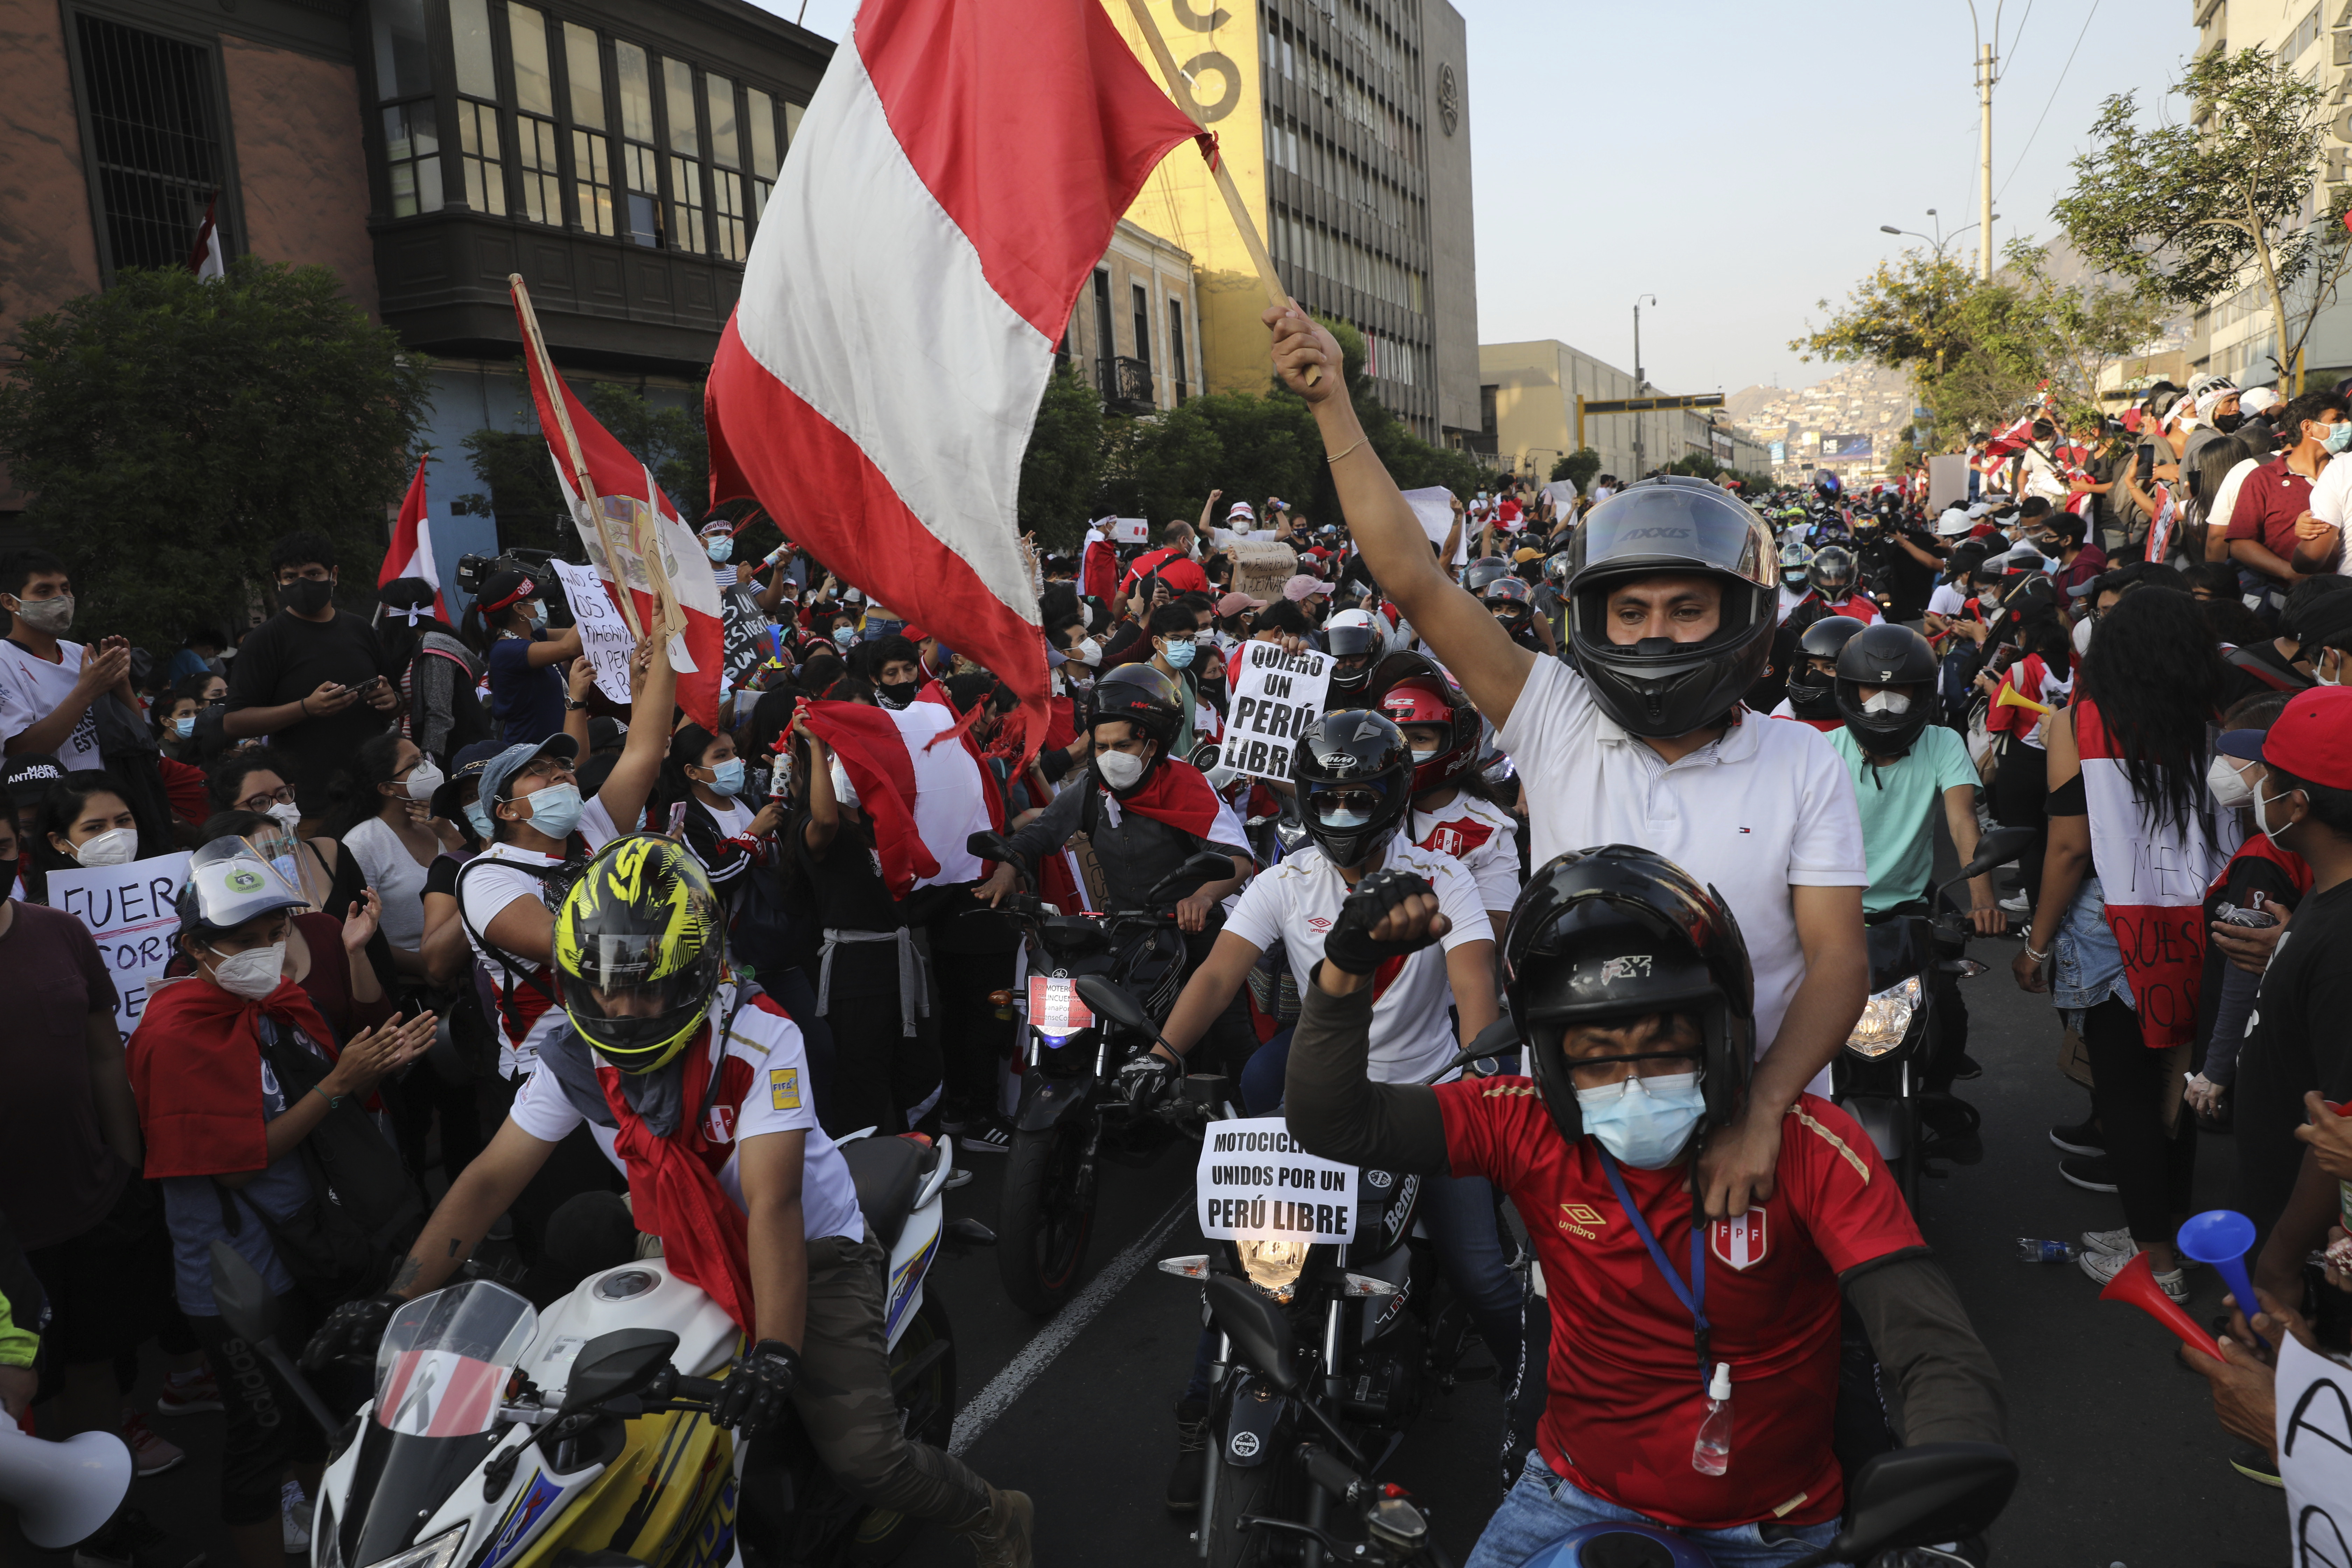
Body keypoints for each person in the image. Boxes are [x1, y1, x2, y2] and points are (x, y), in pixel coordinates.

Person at [1269, 304, 1868, 1223]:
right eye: (1631, 612)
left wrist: (1760, 1114)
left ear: (1740, 617)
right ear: (1594, 618)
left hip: (1764, 1145)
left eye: (1686, 610)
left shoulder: (1802, 760)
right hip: (1579, 1149)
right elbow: (1414, 578)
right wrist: (1332, 406)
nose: (1656, 632)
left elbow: (1837, 962)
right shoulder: (1552, 713)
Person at [301, 836, 1036, 1566]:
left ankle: (995, 1511)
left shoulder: (760, 1039)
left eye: (644, 986)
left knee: (868, 1458)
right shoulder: (574, 1054)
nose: (621, 1008)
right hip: (677, 1236)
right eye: (602, 985)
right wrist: (398, 1296)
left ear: (696, 973)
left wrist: (778, 1351)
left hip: (809, 1251)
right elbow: (491, 1179)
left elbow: (774, 1205)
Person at [1283, 850, 2007, 1567]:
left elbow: (1932, 1344)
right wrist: (1346, 970)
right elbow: (1333, 1121)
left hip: (1777, 1529)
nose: (1633, 1083)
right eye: (1597, 1058)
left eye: (1666, 1050)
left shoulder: (1813, 1147)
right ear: (1555, 1065)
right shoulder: (1522, 1123)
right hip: (1571, 1496)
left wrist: (1939, 1525)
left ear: (1720, 1040)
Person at [127, 836, 434, 1568]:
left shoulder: (279, 1005)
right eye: (246, 940)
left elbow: (324, 1111)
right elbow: (238, 1168)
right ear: (196, 946)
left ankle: (330, 1540)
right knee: (260, 1437)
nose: (268, 950)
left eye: (277, 931)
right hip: (241, 1275)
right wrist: (340, 1082)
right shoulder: (175, 1033)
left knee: (323, 1415)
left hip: (311, 1249)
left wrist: (370, 1069)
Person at [2013, 589, 2228, 1300]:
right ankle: (2162, 1232)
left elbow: (2070, 847)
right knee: (2178, 1084)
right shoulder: (2213, 723)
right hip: (2199, 923)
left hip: (2116, 926)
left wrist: (2036, 946)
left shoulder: (2080, 720)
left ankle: (2157, 1264)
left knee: (2126, 1094)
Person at [455, 638, 673, 1080]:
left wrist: (665, 652)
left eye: (562, 765)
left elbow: (644, 752)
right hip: (551, 1070)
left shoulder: (591, 825)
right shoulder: (484, 876)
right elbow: (574, 948)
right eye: (537, 770)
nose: (559, 771)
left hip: (630, 1044)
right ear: (506, 811)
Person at [1827, 625, 2002, 1093]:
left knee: (1948, 1006)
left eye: (1900, 688)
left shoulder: (1942, 743)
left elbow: (1963, 821)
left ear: (1922, 692)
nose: (1886, 701)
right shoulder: (1824, 751)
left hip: (1910, 911)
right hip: (1833, 912)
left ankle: (1939, 1097)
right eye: (1873, 687)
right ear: (1851, 691)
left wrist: (1984, 902)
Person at [2221, 688, 2352, 1312]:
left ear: (2297, 805)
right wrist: (2288, 955)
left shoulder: (2344, 943)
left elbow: (2340, 1128)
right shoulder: (2329, 901)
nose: (2258, 790)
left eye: (2268, 777)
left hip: (2306, 1249)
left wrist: (2279, 1264)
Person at [222, 532, 402, 821]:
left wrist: (391, 701)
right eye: (291, 577)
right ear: (278, 581)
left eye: (313, 574)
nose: (302, 584)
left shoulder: (361, 630)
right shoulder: (265, 640)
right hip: (311, 804)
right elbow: (233, 722)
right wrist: (306, 708)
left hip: (377, 795)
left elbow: (395, 701)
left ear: (334, 575)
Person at [1369, 653, 1520, 938]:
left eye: (1420, 739)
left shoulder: (1488, 829)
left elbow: (1502, 930)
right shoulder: (1363, 804)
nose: (1404, 749)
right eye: (1395, 737)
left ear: (1456, 741)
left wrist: (1416, 915)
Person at [0, 549, 136, 775]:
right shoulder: (5, 662)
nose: (61, 599)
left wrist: (120, 683)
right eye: (44, 591)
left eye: (65, 589)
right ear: (10, 602)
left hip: (105, 789)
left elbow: (135, 732)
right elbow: (21, 751)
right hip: (50, 795)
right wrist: (87, 692)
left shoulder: (78, 653)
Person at [376, 577, 489, 765]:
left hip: (449, 760)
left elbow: (439, 713)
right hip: (416, 752)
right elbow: (407, 714)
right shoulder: (411, 650)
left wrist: (429, 760)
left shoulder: (433, 649)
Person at [472, 564, 582, 746]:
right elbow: (568, 648)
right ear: (519, 609)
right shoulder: (507, 651)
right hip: (531, 753)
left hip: (552, 747)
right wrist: (591, 606)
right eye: (535, 599)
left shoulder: (534, 636)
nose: (540, 602)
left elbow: (581, 636)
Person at [1770, 615, 1867, 733]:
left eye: (1829, 667)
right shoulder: (1782, 719)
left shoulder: (1873, 718)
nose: (1815, 675)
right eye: (1812, 667)